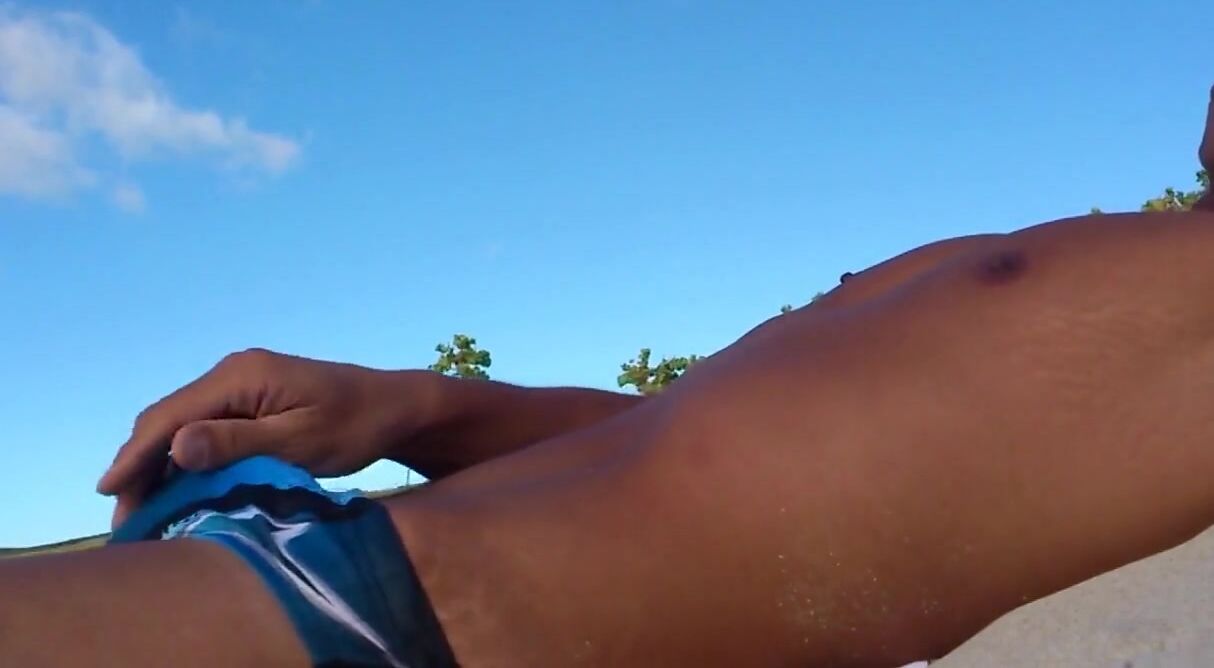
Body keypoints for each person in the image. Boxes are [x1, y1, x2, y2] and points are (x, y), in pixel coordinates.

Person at [4, 86, 1214, 667]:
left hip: (404, 630)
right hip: (335, 552)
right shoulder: (1090, 251)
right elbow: (693, 444)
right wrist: (411, 404)